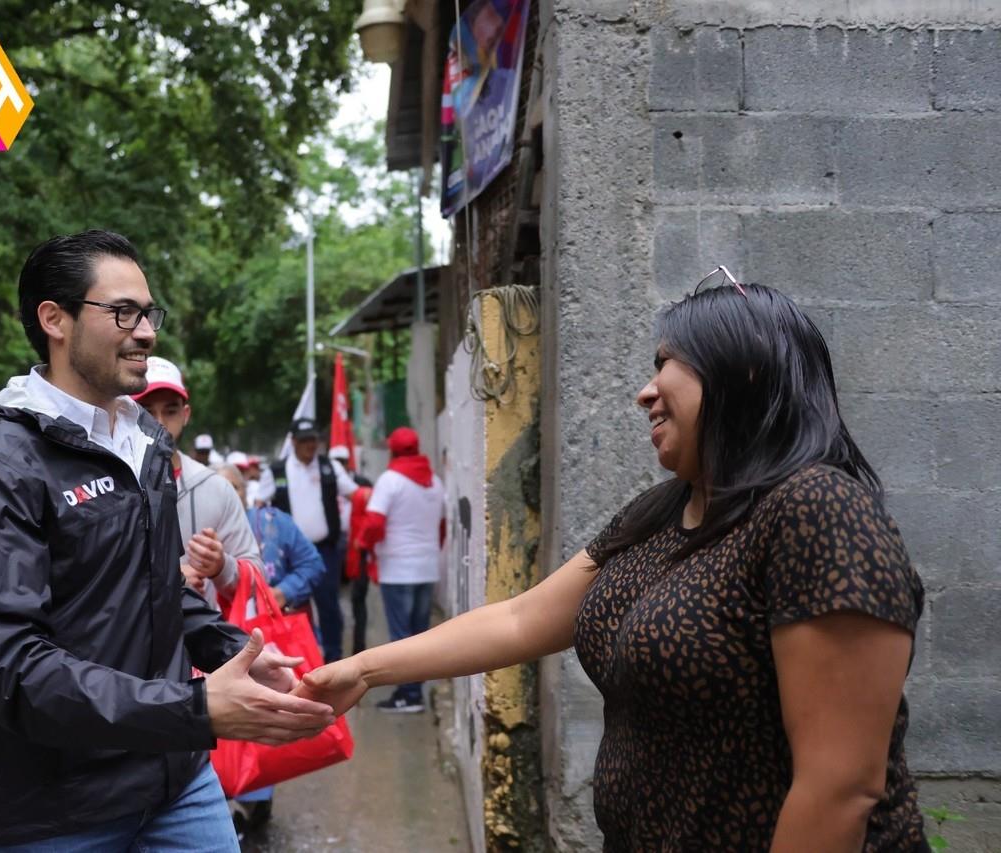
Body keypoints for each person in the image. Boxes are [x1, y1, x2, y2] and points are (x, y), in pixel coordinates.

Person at [301, 276, 929, 849]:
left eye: (667, 366)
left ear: (741, 373)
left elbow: (839, 790)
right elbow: (521, 620)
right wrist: (362, 670)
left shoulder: (817, 509)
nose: (645, 392)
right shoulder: (662, 510)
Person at [0, 229, 334, 852]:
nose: (146, 331)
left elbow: (154, 589)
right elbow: (8, 666)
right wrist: (196, 709)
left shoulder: (144, 435)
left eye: (148, 313)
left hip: (177, 781)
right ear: (54, 320)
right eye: (123, 312)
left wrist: (239, 653)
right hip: (53, 808)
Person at [217, 463, 326, 837]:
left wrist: (282, 592)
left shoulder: (272, 524)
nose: (226, 494)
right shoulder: (193, 531)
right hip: (212, 651)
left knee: (263, 719)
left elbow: (313, 565)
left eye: (233, 486)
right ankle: (226, 804)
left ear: (245, 492)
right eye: (218, 488)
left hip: (265, 644)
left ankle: (257, 801)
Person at [133, 356, 262, 602]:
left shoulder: (215, 487)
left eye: (170, 411)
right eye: (146, 411)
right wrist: (169, 578)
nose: (159, 423)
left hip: (206, 638)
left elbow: (256, 579)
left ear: (185, 414)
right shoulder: (108, 485)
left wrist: (221, 566)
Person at [357, 427, 445, 713]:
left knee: (401, 637)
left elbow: (373, 524)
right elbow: (442, 527)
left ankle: (408, 695)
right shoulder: (435, 482)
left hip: (397, 568)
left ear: (393, 451)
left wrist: (363, 544)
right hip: (427, 566)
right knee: (420, 636)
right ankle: (414, 691)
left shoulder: (390, 480)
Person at [258, 418, 358, 662]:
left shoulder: (329, 467)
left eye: (313, 439)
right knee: (292, 606)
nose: (309, 445)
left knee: (329, 607)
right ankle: (296, 659)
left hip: (325, 551)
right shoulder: (277, 471)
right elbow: (259, 507)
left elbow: (356, 494)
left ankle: (334, 660)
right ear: (293, 442)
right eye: (304, 440)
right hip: (288, 557)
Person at [344, 475, 376, 656]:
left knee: (358, 602)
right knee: (358, 603)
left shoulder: (360, 495)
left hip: (360, 557)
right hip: (357, 556)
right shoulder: (361, 498)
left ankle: (359, 646)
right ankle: (359, 644)